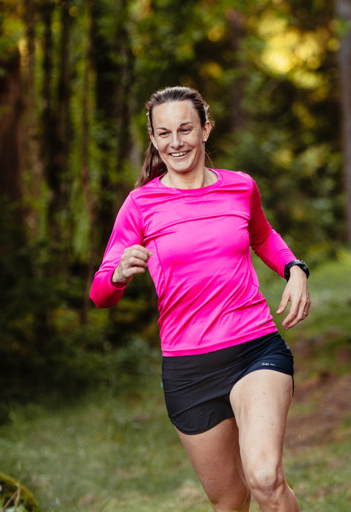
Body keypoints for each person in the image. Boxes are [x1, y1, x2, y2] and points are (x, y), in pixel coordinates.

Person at [90, 85, 310, 512]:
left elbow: (262, 236)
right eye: (165, 133)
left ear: (205, 129)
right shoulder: (140, 204)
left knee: (264, 477)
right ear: (153, 139)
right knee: (228, 501)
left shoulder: (240, 187)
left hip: (254, 349)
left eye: (186, 129)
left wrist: (294, 267)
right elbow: (101, 293)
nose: (177, 142)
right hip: (188, 369)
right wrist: (116, 276)